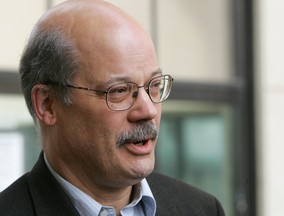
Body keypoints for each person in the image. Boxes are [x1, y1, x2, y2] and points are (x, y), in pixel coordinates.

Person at [0, 0, 225, 215]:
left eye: (154, 85)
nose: (149, 111)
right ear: (47, 105)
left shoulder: (201, 208)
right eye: (119, 91)